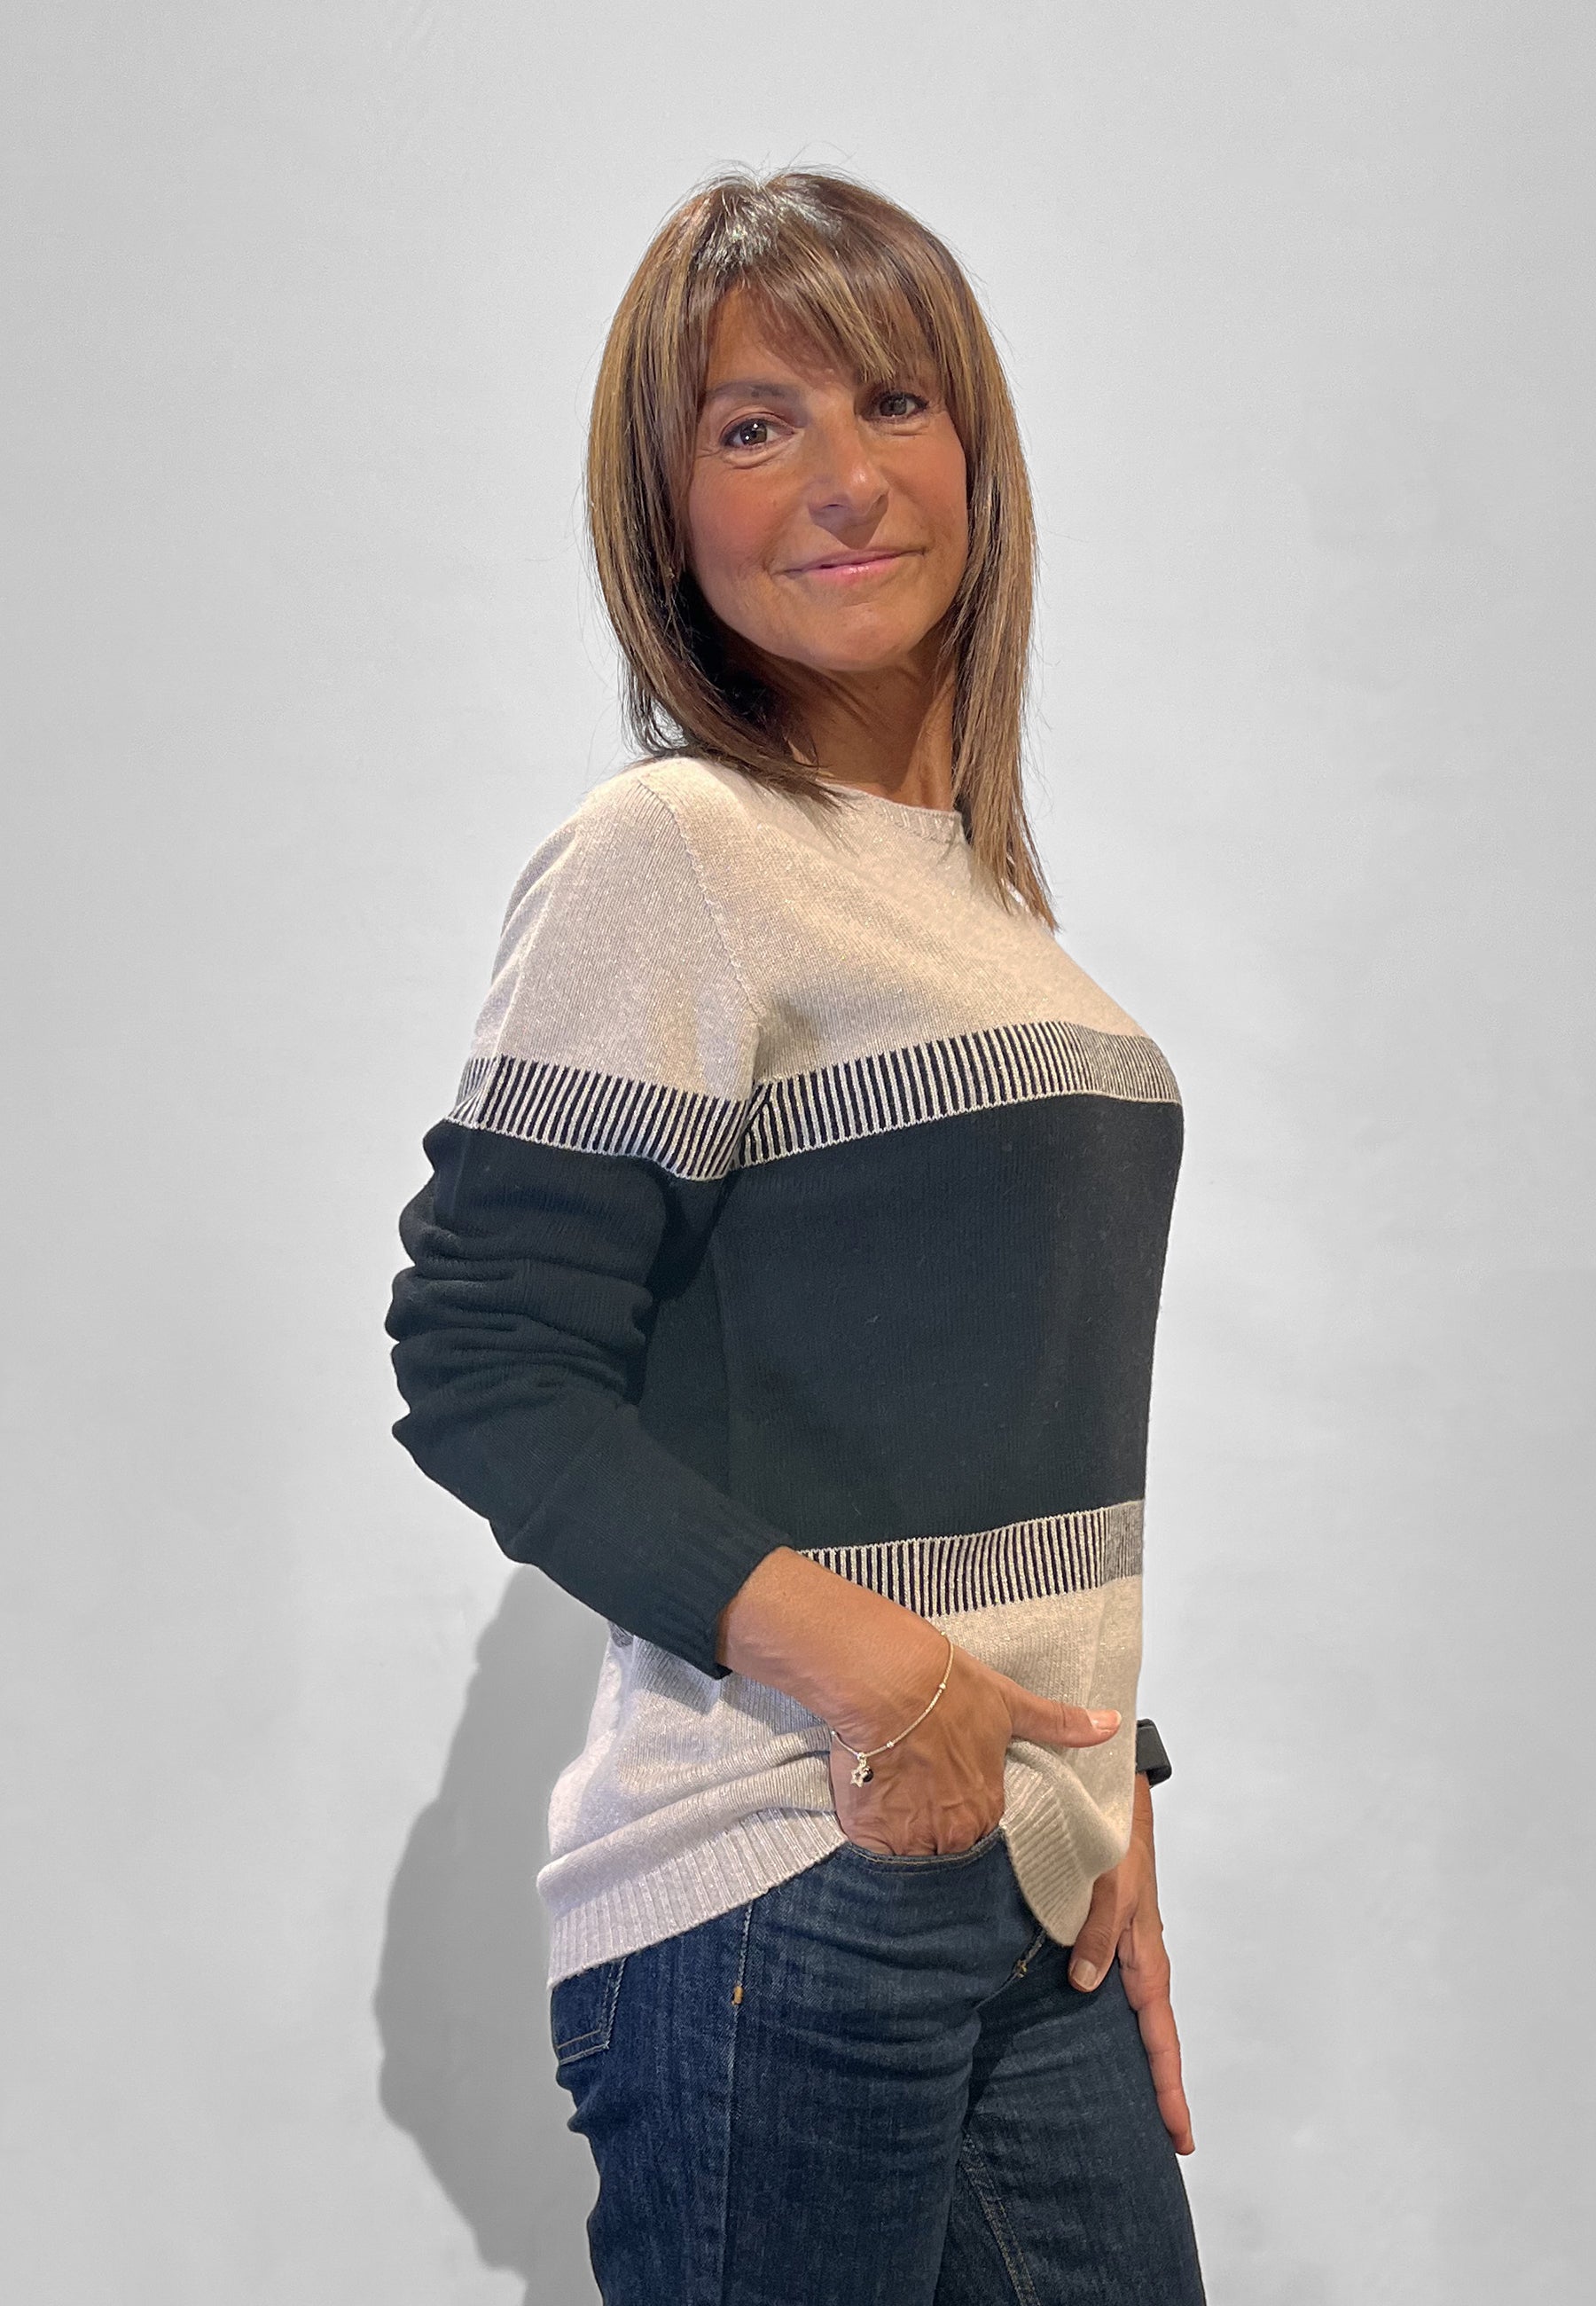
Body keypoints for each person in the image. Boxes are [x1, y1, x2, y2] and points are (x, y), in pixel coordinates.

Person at [386, 167, 1206, 2305]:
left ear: (976, 456)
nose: (844, 477)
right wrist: (886, 1674)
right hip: (786, 1874)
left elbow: (990, 1415)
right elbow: (483, 1361)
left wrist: (1104, 1786)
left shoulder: (977, 906)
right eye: (755, 426)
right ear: (669, 516)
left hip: (1031, 1877)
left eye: (895, 404)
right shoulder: (675, 849)